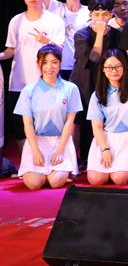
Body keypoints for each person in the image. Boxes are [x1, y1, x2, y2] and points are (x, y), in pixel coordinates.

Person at [5, 0, 67, 156]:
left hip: (47, 82)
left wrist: (46, 41)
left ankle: (52, 159)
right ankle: (26, 164)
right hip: (19, 81)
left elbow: (60, 49)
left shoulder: (54, 20)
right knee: (20, 125)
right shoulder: (16, 21)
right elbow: (10, 50)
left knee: (46, 122)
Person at [15, 45, 81, 190]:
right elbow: (27, 124)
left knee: (56, 182)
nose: (49, 67)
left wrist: (60, 150)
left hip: (61, 141)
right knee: (33, 184)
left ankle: (61, 171)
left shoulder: (71, 88)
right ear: (38, 63)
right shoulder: (28, 91)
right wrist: (35, 150)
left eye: (54, 62)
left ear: (60, 63)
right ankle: (43, 173)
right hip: (37, 142)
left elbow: (70, 122)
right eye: (45, 62)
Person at [69, 0, 122, 163]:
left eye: (105, 14)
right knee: (83, 120)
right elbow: (93, 57)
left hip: (107, 80)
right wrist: (99, 35)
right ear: (90, 14)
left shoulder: (117, 35)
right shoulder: (81, 35)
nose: (100, 18)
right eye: (96, 14)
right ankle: (81, 159)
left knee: (106, 118)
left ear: (111, 15)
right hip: (84, 81)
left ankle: (105, 155)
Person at [85, 51, 128, 185]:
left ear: (124, 67)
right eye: (109, 67)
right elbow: (97, 127)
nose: (114, 71)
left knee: (119, 179)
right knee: (95, 180)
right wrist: (105, 149)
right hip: (108, 139)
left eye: (118, 66)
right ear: (103, 69)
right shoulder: (97, 94)